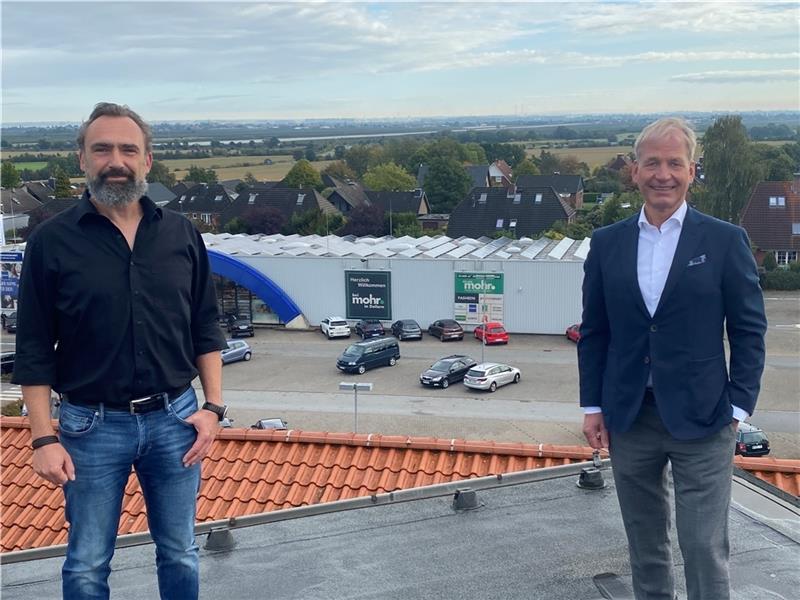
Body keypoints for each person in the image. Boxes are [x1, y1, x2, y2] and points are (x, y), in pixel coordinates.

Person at [12, 102, 228, 600]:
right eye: (102, 148)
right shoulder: (51, 242)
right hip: (91, 426)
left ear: (147, 160)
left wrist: (213, 408)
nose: (116, 160)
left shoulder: (180, 234)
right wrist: (43, 438)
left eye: (128, 149)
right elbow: (34, 347)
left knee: (179, 550)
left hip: (176, 421)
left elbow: (206, 325)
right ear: (82, 160)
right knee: (87, 563)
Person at [578, 117, 767, 600]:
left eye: (674, 163)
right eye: (652, 163)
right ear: (635, 171)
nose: (663, 174)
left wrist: (738, 407)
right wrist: (592, 406)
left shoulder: (725, 241)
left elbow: (748, 329)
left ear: (692, 171)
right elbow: (596, 332)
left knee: (703, 547)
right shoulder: (606, 243)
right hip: (629, 417)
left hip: (705, 419)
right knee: (646, 545)